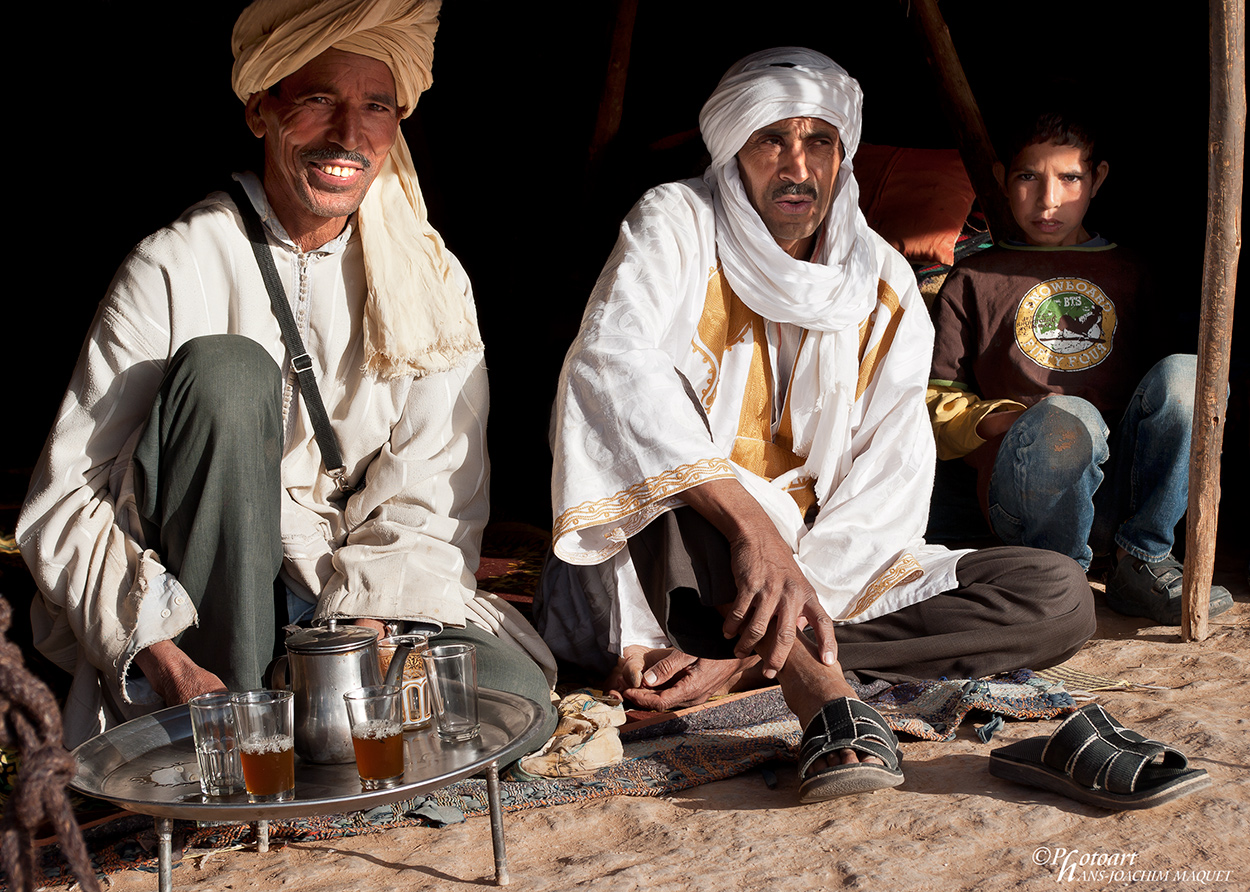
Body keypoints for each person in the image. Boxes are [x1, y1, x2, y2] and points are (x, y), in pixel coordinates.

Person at [537, 48, 1095, 803]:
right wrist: (750, 530)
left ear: (844, 156)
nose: (798, 166)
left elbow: (891, 474)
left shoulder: (884, 280)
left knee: (1058, 594)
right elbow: (613, 365)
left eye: (820, 142)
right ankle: (822, 697)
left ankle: (751, 659)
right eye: (772, 139)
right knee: (678, 467)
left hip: (814, 568)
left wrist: (789, 584)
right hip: (676, 563)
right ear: (735, 150)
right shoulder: (677, 221)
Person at [17, 0, 557, 750]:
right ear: (259, 110)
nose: (348, 134)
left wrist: (363, 635)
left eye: (375, 106)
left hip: (350, 600)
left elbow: (437, 489)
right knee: (227, 371)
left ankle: (299, 727)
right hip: (201, 605)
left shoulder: (429, 279)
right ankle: (240, 713)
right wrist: (164, 656)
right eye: (316, 100)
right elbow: (64, 500)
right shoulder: (177, 263)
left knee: (513, 700)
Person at [926, 105, 1233, 626]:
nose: (1048, 200)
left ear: (1098, 179)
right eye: (1028, 177)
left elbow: (1167, 403)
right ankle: (1057, 578)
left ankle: (1144, 557)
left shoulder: (1132, 272)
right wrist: (1013, 418)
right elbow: (933, 403)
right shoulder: (974, 278)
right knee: (1070, 419)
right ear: (1001, 178)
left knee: (1192, 374)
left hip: (1120, 496)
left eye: (1069, 178)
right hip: (1028, 494)